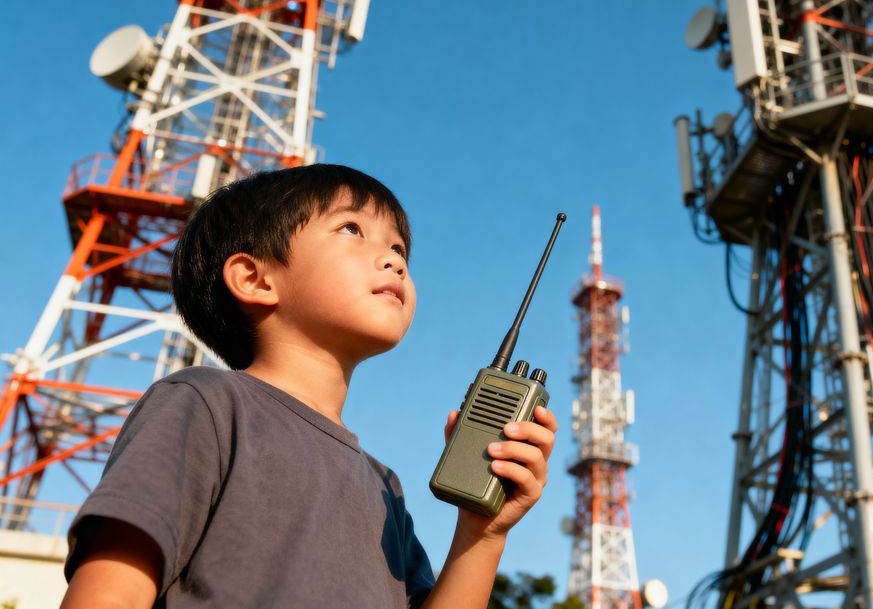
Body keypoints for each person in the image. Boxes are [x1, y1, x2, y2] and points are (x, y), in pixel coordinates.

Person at [59, 163, 558, 608]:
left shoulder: (385, 486)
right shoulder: (205, 404)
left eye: (399, 248)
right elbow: (111, 590)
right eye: (351, 229)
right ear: (255, 280)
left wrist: (483, 533)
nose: (395, 261)